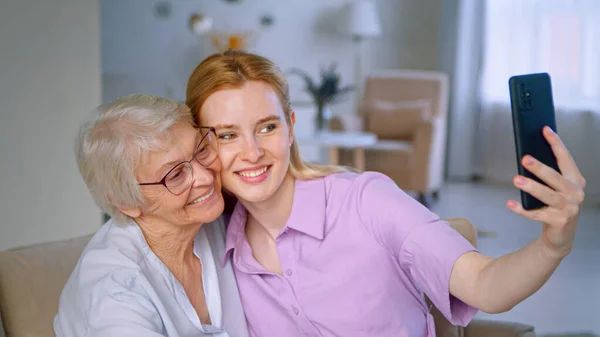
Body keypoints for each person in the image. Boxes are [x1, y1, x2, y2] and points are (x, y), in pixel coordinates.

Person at [185, 50, 586, 337]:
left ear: (291, 127)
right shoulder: (217, 246)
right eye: (227, 135)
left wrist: (552, 245)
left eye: (267, 127)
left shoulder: (365, 201)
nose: (252, 152)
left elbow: (485, 285)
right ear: (204, 146)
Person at [54, 95, 249, 337]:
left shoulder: (211, 216)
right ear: (125, 201)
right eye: (176, 175)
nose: (206, 178)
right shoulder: (115, 293)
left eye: (201, 150)